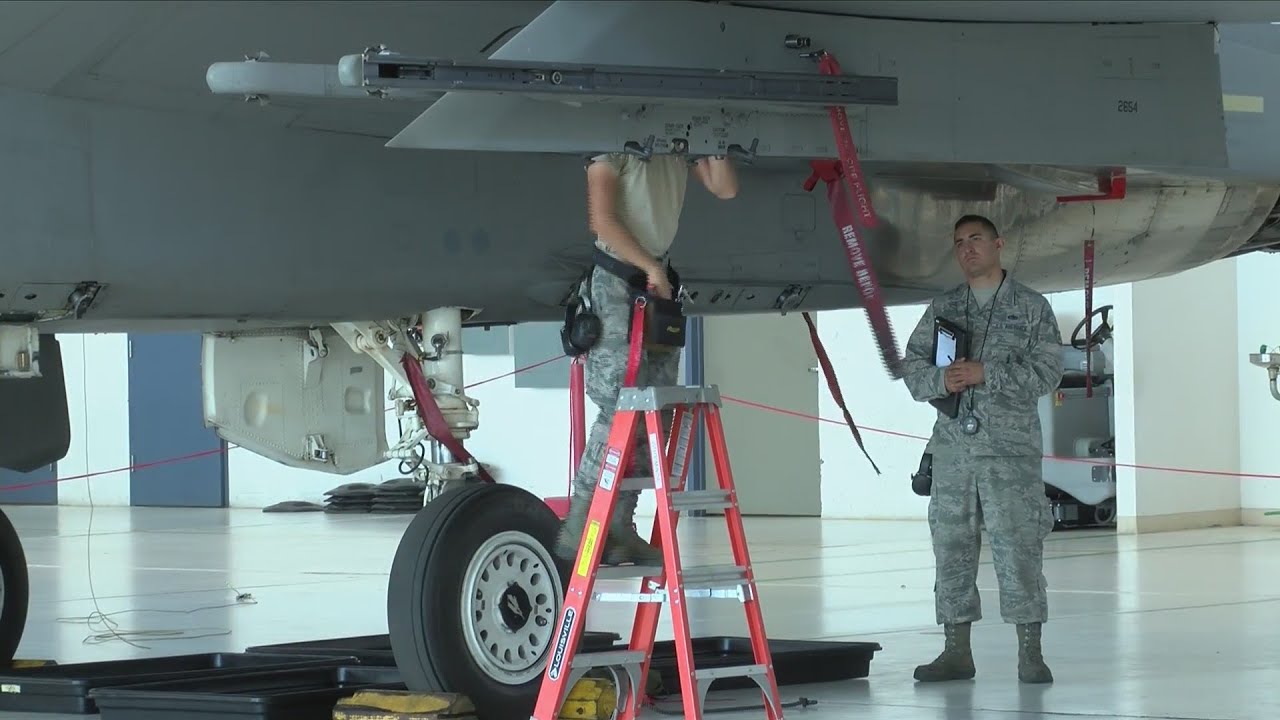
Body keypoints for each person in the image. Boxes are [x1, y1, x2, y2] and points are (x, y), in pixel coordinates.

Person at [553, 150, 738, 567]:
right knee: (618, 404)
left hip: (654, 282)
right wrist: (650, 267)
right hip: (619, 279)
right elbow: (601, 221)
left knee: (656, 404)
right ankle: (581, 524)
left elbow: (725, 188)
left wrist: (716, 144)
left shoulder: (677, 143)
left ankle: (620, 526)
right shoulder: (614, 144)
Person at [900, 214, 1064, 684]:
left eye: (976, 239)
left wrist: (987, 373)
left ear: (998, 245)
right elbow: (912, 365)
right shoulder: (945, 307)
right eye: (959, 243)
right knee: (951, 548)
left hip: (1009, 452)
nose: (967, 248)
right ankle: (956, 651)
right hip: (953, 451)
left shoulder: (1031, 307)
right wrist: (941, 378)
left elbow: (1048, 372)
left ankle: (1030, 652)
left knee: (1019, 548)